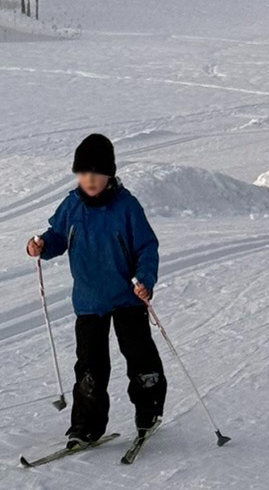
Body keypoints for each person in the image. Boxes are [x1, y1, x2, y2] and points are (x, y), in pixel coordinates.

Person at [26, 133, 166, 447]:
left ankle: (149, 411)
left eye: (96, 173)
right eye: (84, 173)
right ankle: (86, 427)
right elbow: (57, 236)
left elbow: (146, 247)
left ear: (109, 175)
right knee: (89, 366)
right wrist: (41, 245)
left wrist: (145, 279)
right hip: (89, 301)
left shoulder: (126, 206)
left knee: (140, 356)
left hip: (128, 298)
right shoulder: (72, 205)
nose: (89, 179)